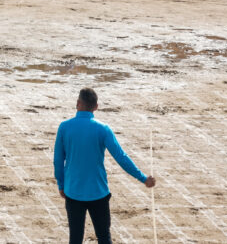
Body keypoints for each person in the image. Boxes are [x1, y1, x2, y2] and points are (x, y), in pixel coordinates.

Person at [54, 88, 155, 244]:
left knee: (75, 238)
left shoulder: (64, 127)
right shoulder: (103, 129)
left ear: (77, 103)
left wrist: (61, 184)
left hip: (73, 191)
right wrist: (142, 178)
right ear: (96, 107)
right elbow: (121, 157)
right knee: (104, 236)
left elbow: (58, 161)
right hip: (98, 192)